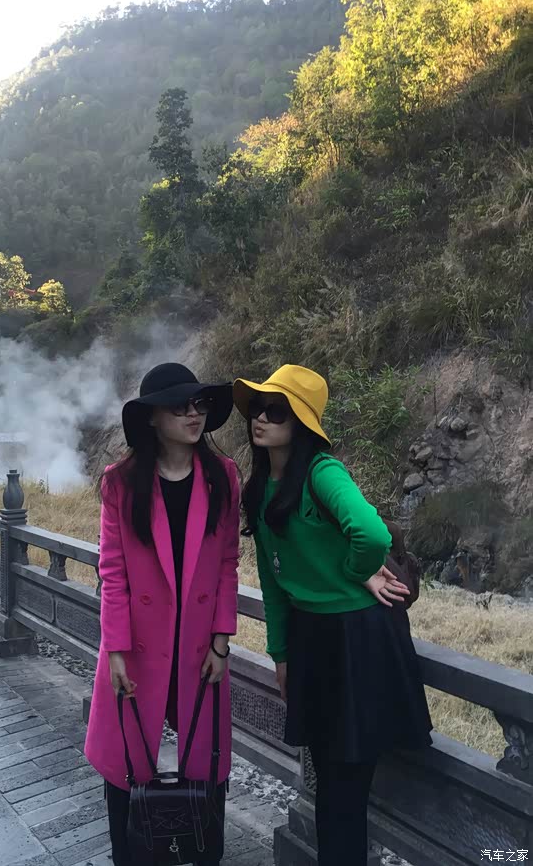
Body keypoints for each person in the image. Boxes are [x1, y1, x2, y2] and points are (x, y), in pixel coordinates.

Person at [233, 364, 433, 866]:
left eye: (276, 410)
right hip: (311, 638)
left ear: (301, 422)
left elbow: (372, 533)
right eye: (257, 407)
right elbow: (273, 583)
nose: (261, 418)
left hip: (356, 639)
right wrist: (280, 654)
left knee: (345, 784)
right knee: (327, 777)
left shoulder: (322, 472)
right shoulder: (260, 489)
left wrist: (354, 571)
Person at [84, 362, 241, 866]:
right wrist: (116, 651)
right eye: (179, 406)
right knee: (127, 766)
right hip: (138, 646)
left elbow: (228, 564)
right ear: (152, 417)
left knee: (205, 762)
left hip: (199, 647)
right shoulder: (121, 483)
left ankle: (202, 851)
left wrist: (222, 640)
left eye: (199, 404)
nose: (194, 414)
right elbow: (113, 572)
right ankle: (130, 854)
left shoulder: (222, 476)